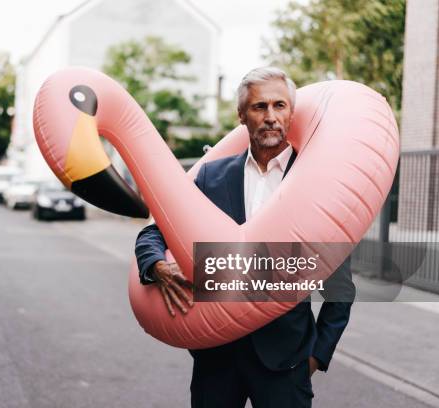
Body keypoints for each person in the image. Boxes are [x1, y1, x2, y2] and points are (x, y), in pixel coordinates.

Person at [134, 67, 355, 408]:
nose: (270, 117)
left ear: (291, 113)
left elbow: (340, 285)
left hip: (286, 362)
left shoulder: (314, 182)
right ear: (242, 116)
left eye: (279, 106)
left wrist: (317, 355)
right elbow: (155, 231)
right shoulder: (211, 177)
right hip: (216, 358)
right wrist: (157, 266)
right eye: (258, 107)